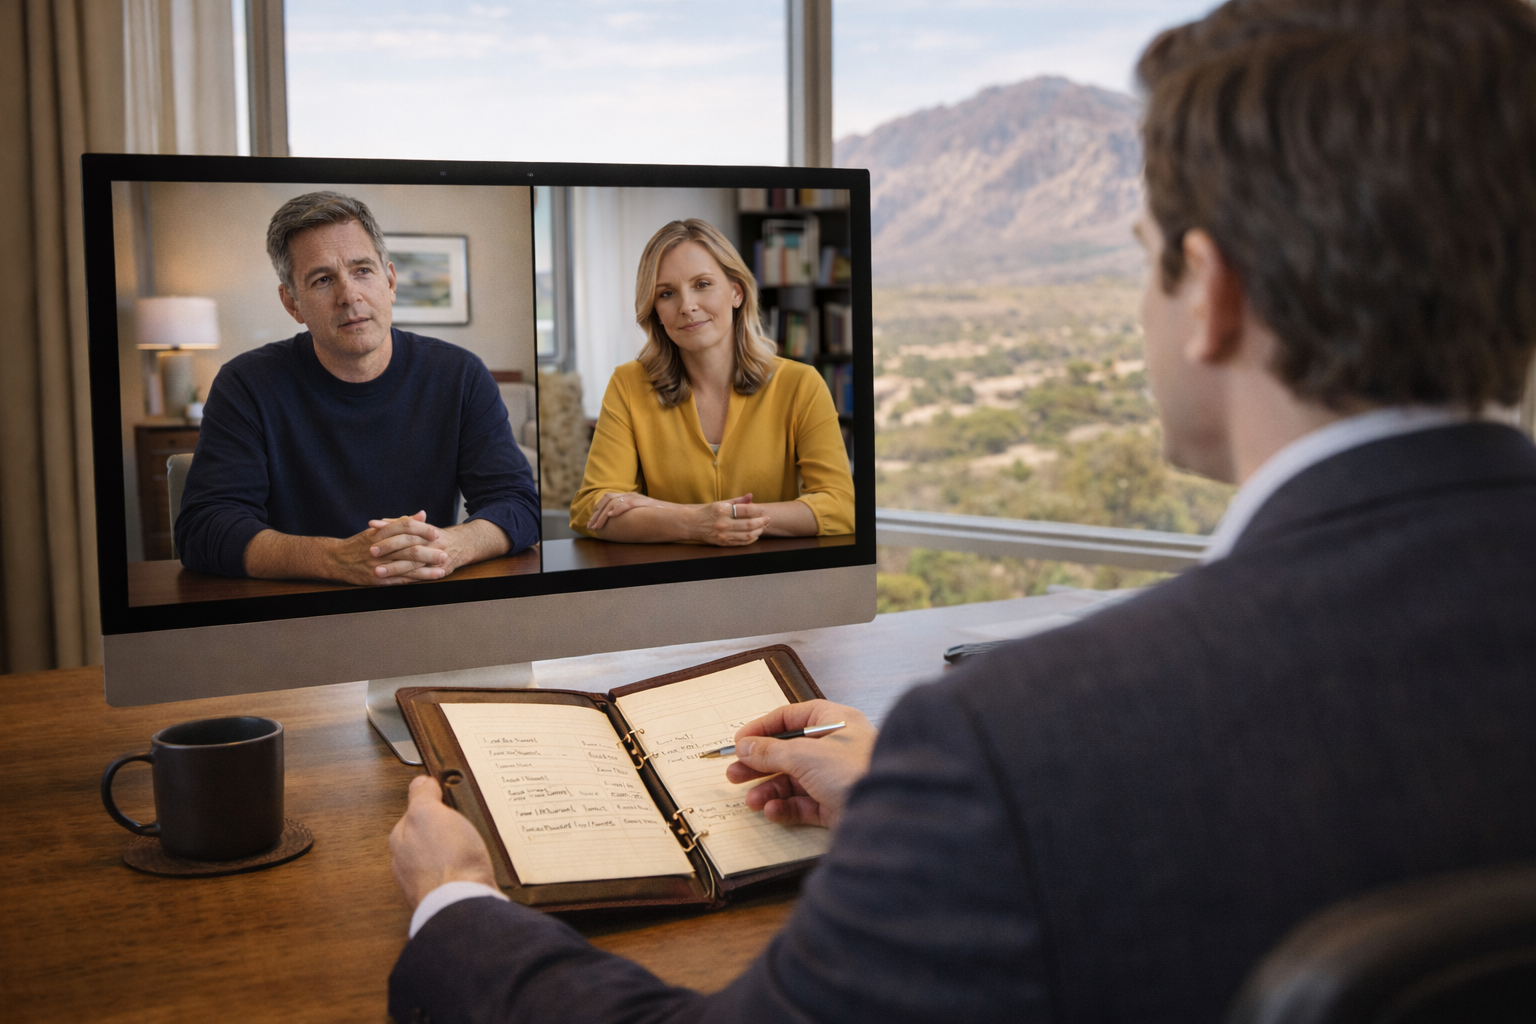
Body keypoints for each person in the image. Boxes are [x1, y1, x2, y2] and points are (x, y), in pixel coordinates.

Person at [386, 0, 1536, 1019]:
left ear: (1214, 296)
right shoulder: (1010, 760)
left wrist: (458, 905)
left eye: (1145, 259)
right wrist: (919, 799)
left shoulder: (1024, 741)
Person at [174, 191, 540, 584]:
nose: (349, 296)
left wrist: (449, 546)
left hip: (426, 600)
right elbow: (204, 528)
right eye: (322, 280)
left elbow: (518, 504)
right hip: (295, 612)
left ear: (391, 280)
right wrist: (334, 559)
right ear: (292, 303)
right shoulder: (245, 385)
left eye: (363, 270)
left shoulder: (460, 374)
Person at [567, 218, 854, 545]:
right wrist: (693, 522)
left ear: (736, 292)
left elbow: (840, 507)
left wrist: (688, 514)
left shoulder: (801, 384)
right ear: (655, 310)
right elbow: (590, 510)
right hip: (667, 586)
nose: (687, 306)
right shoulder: (627, 384)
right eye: (667, 293)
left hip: (772, 583)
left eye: (702, 284)